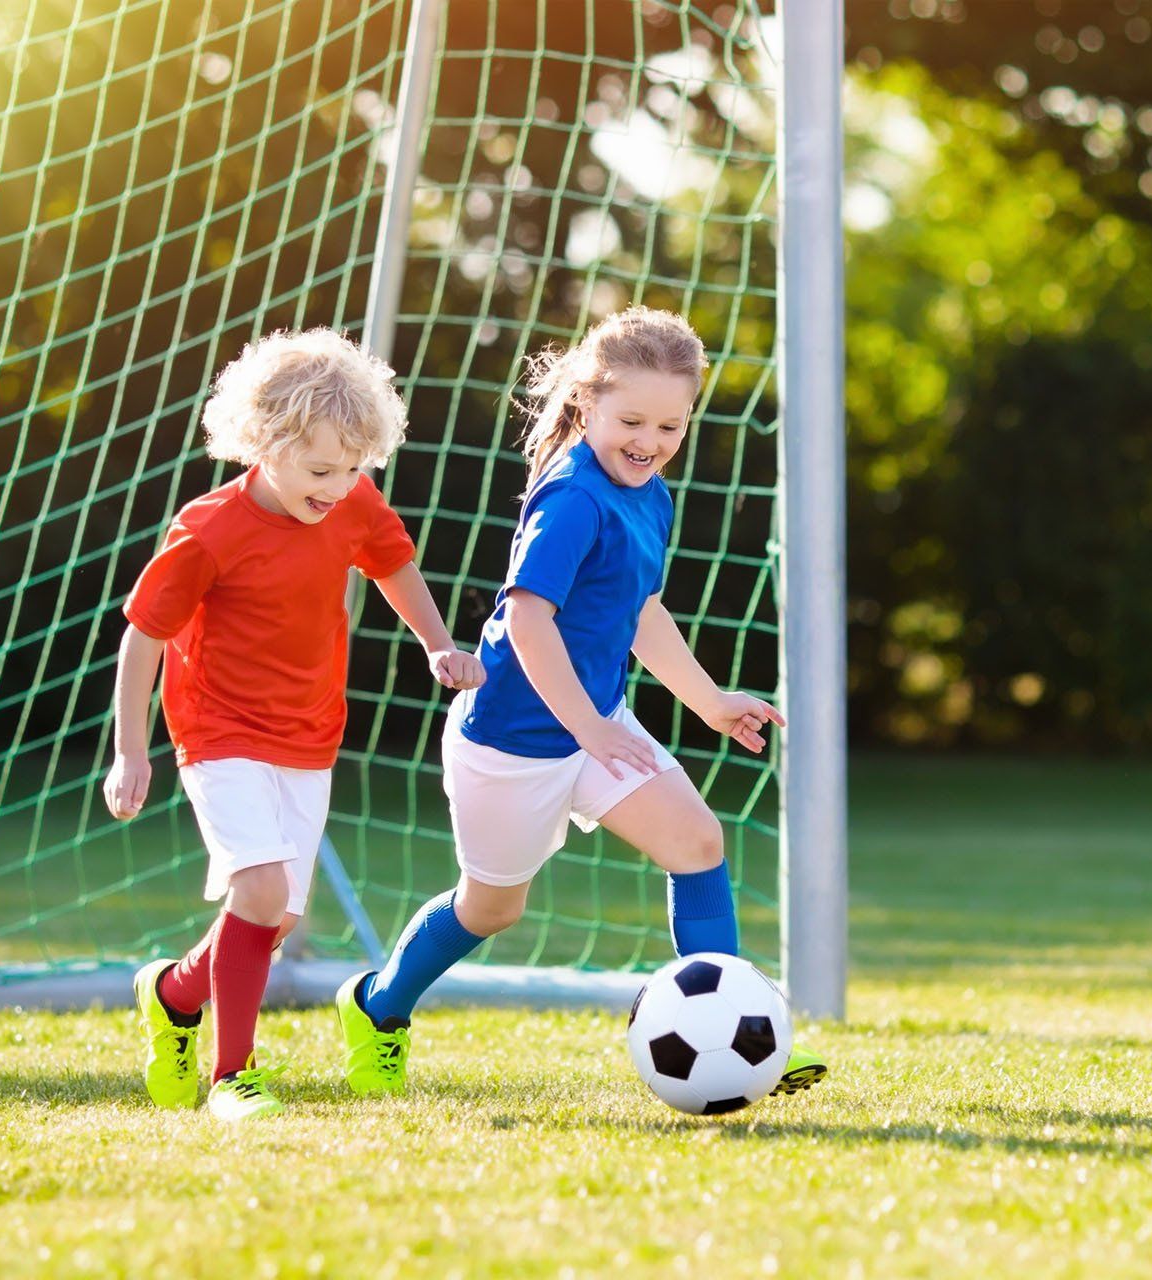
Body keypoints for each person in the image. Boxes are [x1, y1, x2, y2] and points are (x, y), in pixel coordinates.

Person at [336, 306, 827, 1100]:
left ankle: (739, 1041)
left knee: (698, 841)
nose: (649, 441)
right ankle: (378, 1005)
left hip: (595, 727)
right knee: (491, 909)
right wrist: (590, 729)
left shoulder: (651, 494)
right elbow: (528, 620)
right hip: (513, 744)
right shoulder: (571, 497)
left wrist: (707, 701)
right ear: (587, 403)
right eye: (631, 421)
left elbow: (642, 611)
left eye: (670, 426)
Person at [103, 329, 484, 1121]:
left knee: (274, 917)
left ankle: (174, 995)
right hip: (217, 730)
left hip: (309, 734)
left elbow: (391, 562)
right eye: (320, 470)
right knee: (261, 889)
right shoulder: (209, 530)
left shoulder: (352, 501)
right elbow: (143, 637)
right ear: (264, 443)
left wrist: (438, 643)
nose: (339, 486)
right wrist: (130, 753)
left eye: (353, 468)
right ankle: (232, 1079)